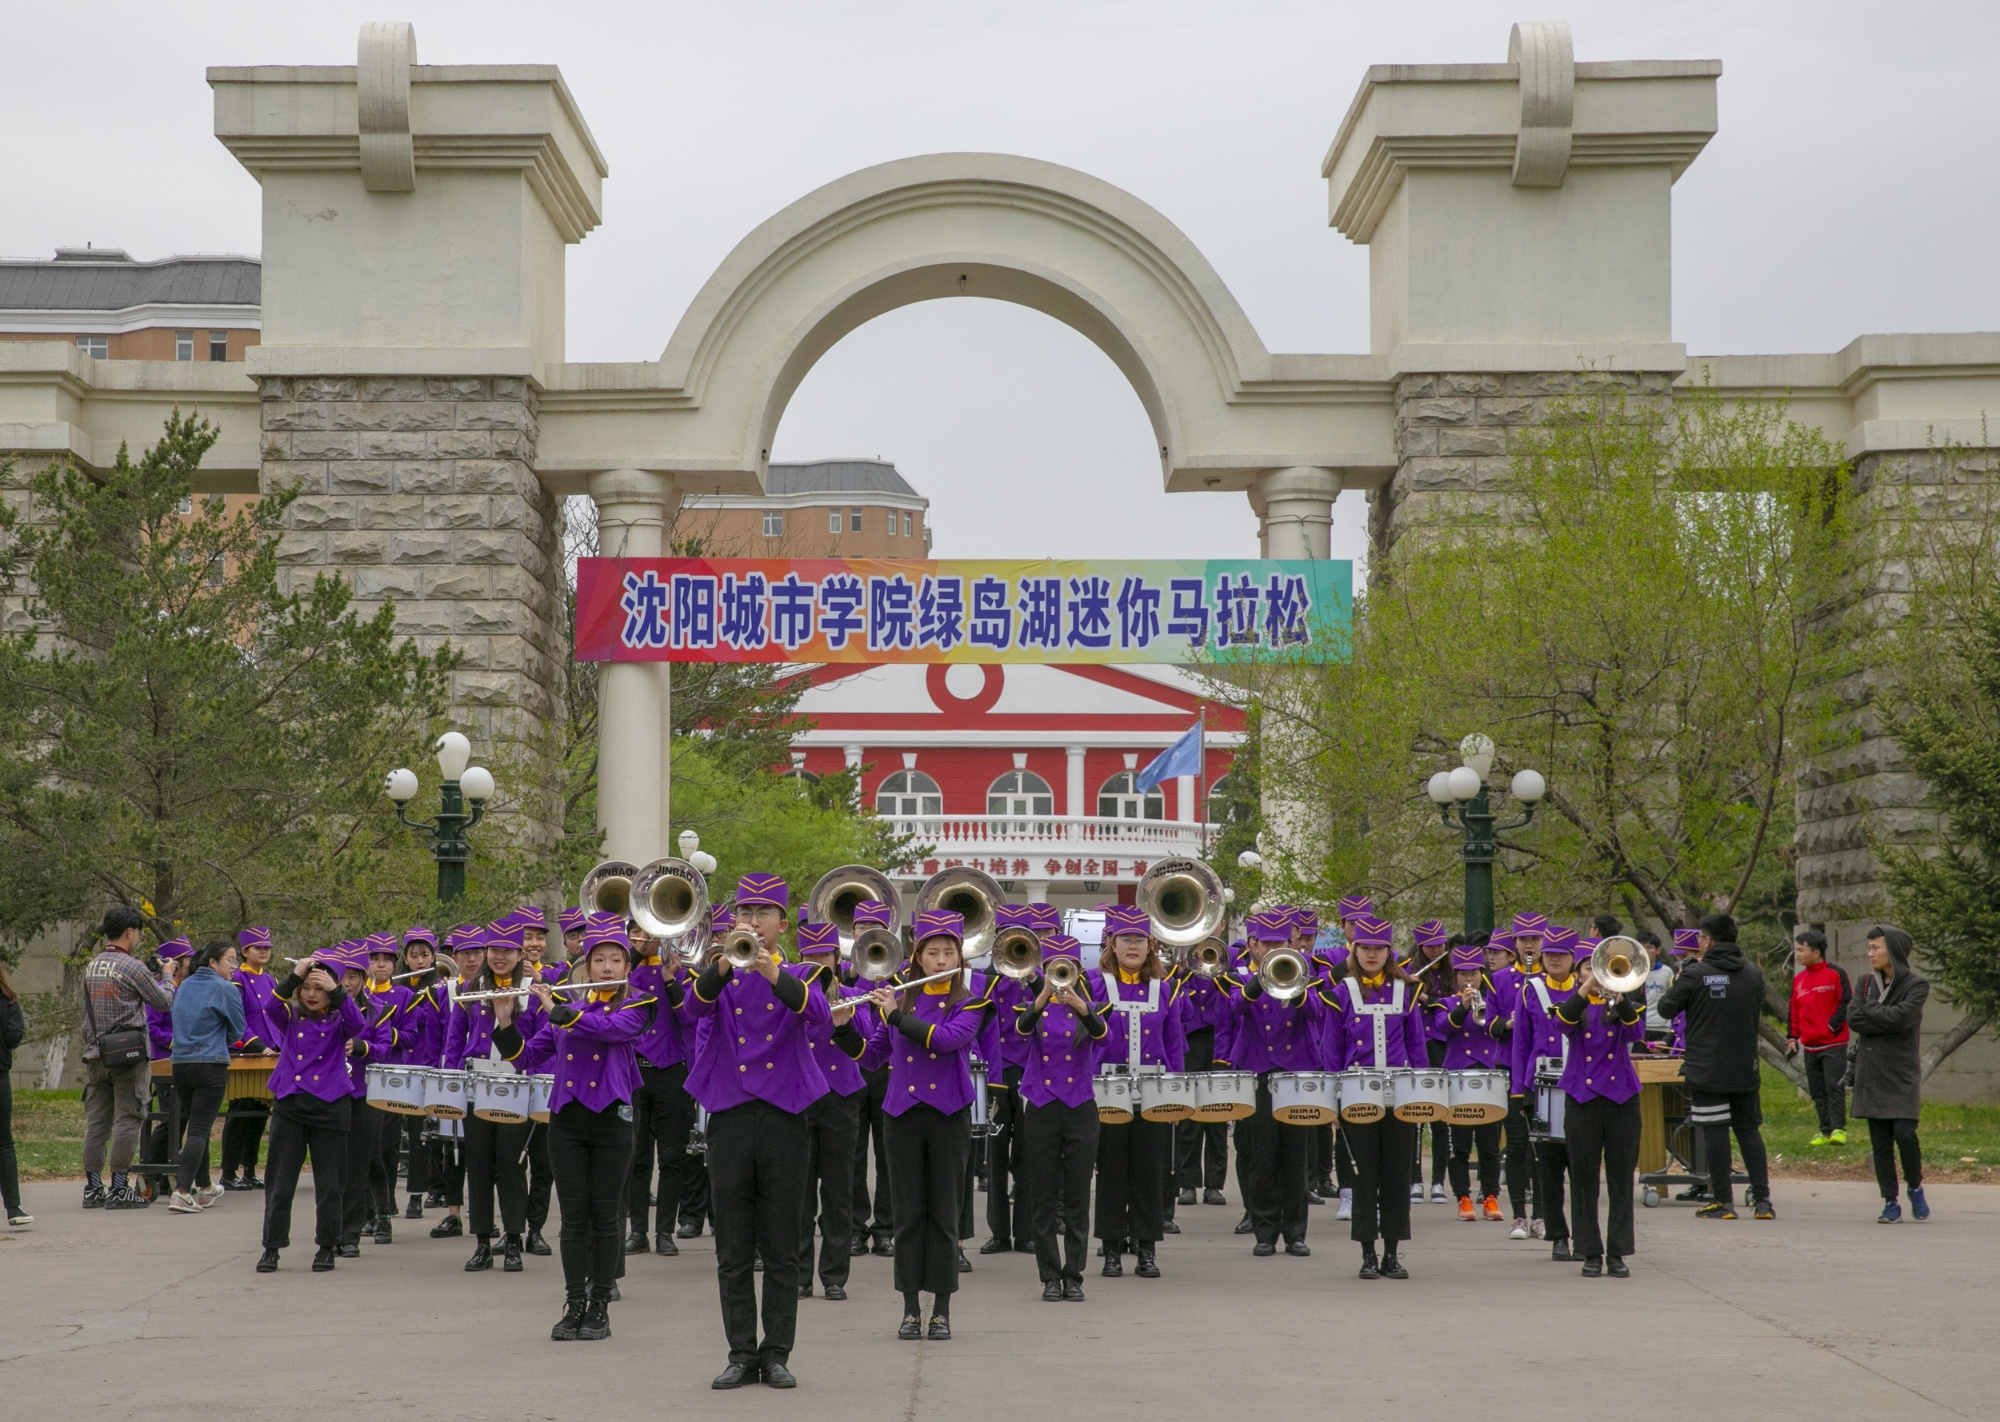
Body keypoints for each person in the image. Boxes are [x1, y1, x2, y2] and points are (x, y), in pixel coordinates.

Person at [686, 873, 830, 1391]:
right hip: (730, 1110)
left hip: (784, 1113)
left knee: (781, 1244)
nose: (753, 920)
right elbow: (692, 1008)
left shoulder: (799, 972)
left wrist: (772, 972)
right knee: (733, 1245)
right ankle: (741, 1352)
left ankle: (776, 1354)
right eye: (745, 911)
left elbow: (820, 1017)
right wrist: (726, 962)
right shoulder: (719, 971)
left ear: (781, 923)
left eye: (764, 913)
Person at [512, 915, 658, 1341]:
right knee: (573, 1218)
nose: (608, 967)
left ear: (627, 968)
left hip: (613, 1119)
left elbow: (611, 1031)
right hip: (568, 1120)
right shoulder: (566, 1009)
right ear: (587, 967)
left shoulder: (638, 1004)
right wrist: (507, 1021)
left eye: (616, 960)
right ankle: (573, 1303)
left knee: (604, 1215)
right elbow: (525, 1057)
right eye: (600, 960)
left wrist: (556, 1011)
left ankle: (600, 1306)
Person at [859, 909, 989, 1342]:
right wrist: (841, 1029)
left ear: (959, 958)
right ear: (917, 957)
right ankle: (911, 1310)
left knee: (944, 1216)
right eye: (932, 952)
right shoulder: (900, 996)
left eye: (948, 952)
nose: (939, 959)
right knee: (909, 1216)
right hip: (902, 1115)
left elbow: (948, 1040)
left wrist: (896, 1016)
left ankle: (943, 1312)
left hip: (948, 1115)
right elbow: (873, 1055)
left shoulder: (971, 1002)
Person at [1322, 915, 1427, 1280]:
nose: (1371, 954)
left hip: (1399, 1096)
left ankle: (1393, 1253)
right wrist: (1333, 1102)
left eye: (1378, 948)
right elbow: (1331, 1052)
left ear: (1388, 952)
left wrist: (1423, 1095)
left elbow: (1418, 1049)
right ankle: (1367, 1253)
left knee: (1397, 1176)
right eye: (1365, 947)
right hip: (1356, 1095)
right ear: (1354, 949)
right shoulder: (1340, 993)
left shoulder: (1407, 990)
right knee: (1363, 1175)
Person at [1656, 912, 1773, 1220]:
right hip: (1745, 1068)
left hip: (1707, 1069)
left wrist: (1682, 980)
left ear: (1707, 941)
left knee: (1715, 1130)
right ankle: (1762, 1202)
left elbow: (1666, 1007)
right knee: (1749, 1131)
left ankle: (1724, 1202)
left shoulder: (1696, 973)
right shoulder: (1752, 974)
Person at [445, 924, 549, 1272]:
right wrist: (455, 1082)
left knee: (511, 1166)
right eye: (494, 950)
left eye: (508, 951)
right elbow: (455, 1041)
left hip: (516, 1086)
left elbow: (541, 1047)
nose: (500, 957)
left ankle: (515, 1240)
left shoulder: (530, 992)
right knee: (479, 1166)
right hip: (477, 1084)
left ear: (521, 955)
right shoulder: (470, 989)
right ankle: (481, 1242)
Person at [1092, 903, 1185, 1280]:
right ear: (1112, 944)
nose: (1133, 946)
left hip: (1153, 1090)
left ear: (1151, 946)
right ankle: (1112, 1249)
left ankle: (1147, 1249)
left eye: (1140, 940)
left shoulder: (1166, 990)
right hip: (1108, 1090)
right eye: (1125, 939)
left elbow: (1175, 1045)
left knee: (1150, 1173)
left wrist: (1177, 1095)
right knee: (1112, 1171)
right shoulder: (1093, 985)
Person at [256, 954, 365, 1272]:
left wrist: (337, 990)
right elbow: (270, 1008)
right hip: (290, 1104)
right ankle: (272, 1247)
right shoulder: (289, 1015)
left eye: (319, 989)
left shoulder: (341, 1019)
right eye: (306, 988)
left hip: (330, 1106)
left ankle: (327, 1246)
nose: (311, 994)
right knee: (280, 1183)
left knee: (330, 1185)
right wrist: (295, 975)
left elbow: (359, 1023)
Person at [1014, 931, 1106, 1301]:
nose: (1059, 976)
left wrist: (1082, 1006)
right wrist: (1040, 998)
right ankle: (1050, 1275)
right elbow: (1021, 1032)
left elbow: (1105, 1039)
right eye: (1052, 968)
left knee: (1078, 1197)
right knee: (1043, 1197)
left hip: (1080, 1105)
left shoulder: (1091, 1005)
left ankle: (1074, 1275)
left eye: (1065, 969)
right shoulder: (1033, 1006)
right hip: (1041, 1104)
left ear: (1077, 969)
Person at [1233, 910, 1323, 1257]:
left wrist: (1296, 985)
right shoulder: (1242, 978)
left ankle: (1296, 1232)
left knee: (1296, 1157)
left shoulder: (1306, 974)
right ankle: (1265, 1231)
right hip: (1259, 1072)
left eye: (1280, 944)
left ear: (1291, 945)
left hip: (1296, 1074)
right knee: (1262, 1154)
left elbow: (1316, 1013)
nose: (1272, 949)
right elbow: (1236, 1008)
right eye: (1266, 943)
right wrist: (1259, 980)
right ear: (1254, 945)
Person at [1553, 947, 1646, 1277]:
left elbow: (1637, 1034)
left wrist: (1619, 997)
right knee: (1583, 1178)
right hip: (1582, 1098)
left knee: (1621, 1179)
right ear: (1579, 974)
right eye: (1586, 969)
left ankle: (1618, 1252)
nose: (1594, 975)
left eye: (1598, 970)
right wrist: (1584, 989)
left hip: (1622, 1097)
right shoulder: (1573, 1005)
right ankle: (1590, 1251)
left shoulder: (1623, 1005)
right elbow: (1561, 1024)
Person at [80, 906, 177, 1210]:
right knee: (128, 1118)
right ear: (130, 932)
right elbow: (162, 1002)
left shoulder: (92, 965)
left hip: (96, 1053)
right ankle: (119, 1187)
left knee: (97, 1122)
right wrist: (168, 976)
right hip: (129, 1055)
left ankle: (93, 1188)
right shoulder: (132, 966)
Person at [792, 919, 867, 1300]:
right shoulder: (790, 997)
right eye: (811, 956)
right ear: (800, 959)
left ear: (837, 958)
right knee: (799, 1191)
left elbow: (869, 1046)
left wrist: (846, 1019)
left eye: (825, 955)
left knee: (839, 1191)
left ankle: (834, 1275)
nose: (819, 962)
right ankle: (801, 1275)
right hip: (801, 1097)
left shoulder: (854, 994)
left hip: (841, 1098)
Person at [1847, 925, 1930, 1223]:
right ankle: (1890, 1201)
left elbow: (1902, 1018)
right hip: (1872, 1073)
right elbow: (1854, 1018)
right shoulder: (1865, 981)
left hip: (1901, 1073)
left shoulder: (1917, 985)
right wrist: (1876, 1014)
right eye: (1868, 948)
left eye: (1875, 948)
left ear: (1892, 950)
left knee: (1905, 1134)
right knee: (1880, 1142)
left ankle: (1915, 1185)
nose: (1869, 954)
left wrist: (1871, 1013)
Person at [625, 925, 699, 1259]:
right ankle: (637, 1230)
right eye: (639, 931)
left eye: (651, 931)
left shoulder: (684, 971)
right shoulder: (623, 971)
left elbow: (688, 1016)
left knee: (672, 1157)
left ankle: (664, 1231)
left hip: (672, 1071)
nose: (647, 936)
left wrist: (671, 979)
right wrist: (636, 953)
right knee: (636, 1156)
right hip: (635, 1072)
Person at [1513, 924, 1580, 1256]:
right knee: (1549, 1165)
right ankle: (1558, 1235)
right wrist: (1520, 1091)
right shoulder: (1530, 990)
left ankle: (1584, 1234)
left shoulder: (1586, 988)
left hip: (1581, 1087)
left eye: (1561, 955)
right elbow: (1520, 1043)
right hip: (1541, 1089)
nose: (1554, 959)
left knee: (1581, 1165)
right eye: (1549, 953)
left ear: (1573, 958)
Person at [166, 939, 246, 1214]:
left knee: (195, 1128)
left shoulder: (184, 985)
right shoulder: (225, 988)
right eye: (231, 960)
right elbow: (238, 1032)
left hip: (180, 1064)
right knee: (200, 1130)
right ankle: (182, 1192)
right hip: (210, 1064)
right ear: (213, 962)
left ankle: (205, 1187)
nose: (234, 966)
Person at [978, 904, 1037, 1256]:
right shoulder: (985, 980)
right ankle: (999, 1233)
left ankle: (1026, 1231)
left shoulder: (1040, 979)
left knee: (1028, 1155)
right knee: (995, 1156)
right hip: (997, 1075)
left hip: (1030, 1074)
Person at [1432, 940, 1504, 1222]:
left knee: (1489, 1145)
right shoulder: (1446, 1002)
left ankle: (1490, 1196)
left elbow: (1498, 1029)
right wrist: (1461, 1008)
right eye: (1463, 973)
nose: (1469, 978)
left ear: (1481, 973)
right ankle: (1462, 1197)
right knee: (1459, 1145)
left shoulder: (1492, 1001)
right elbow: (1442, 1027)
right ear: (1455, 976)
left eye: (1474, 972)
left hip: (1488, 1076)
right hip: (1458, 1077)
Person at [428, 926, 489, 1238]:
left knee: (485, 1149)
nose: (473, 959)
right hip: (455, 1073)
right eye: (466, 953)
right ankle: (453, 1213)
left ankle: (487, 1215)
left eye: (478, 952)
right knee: (452, 1147)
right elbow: (442, 1038)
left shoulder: (494, 987)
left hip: (488, 1074)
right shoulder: (445, 991)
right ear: (456, 957)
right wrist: (446, 1078)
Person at [389, 927, 446, 1220]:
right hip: (396, 1062)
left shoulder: (439, 987)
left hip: (425, 1062)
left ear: (434, 957)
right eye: (415, 955)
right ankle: (385, 1198)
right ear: (406, 958)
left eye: (426, 955)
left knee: (420, 1133)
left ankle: (417, 1194)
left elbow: (435, 1020)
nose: (420, 960)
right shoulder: (396, 986)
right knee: (388, 1135)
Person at [358, 933, 411, 1242]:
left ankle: (384, 1207)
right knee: (362, 1148)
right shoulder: (355, 996)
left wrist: (386, 1033)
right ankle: (367, 1210)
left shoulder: (404, 996)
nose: (380, 965)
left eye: (386, 960)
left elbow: (412, 1038)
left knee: (384, 1147)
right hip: (359, 1080)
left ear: (394, 965)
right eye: (374, 959)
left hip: (390, 1078)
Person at [220, 927, 278, 1191]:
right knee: (240, 1114)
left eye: (267, 947)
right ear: (245, 952)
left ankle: (250, 1170)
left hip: (272, 1053)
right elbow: (238, 1019)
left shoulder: (272, 981)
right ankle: (229, 1172)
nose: (264, 951)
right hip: (247, 1052)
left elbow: (277, 1017)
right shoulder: (237, 980)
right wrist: (259, 1046)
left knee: (259, 1116)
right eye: (258, 947)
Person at [1787, 928, 1852, 1146]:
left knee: (1834, 1086)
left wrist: (1832, 1025)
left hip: (1833, 1043)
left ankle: (1839, 1130)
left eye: (1801, 949)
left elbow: (1847, 1003)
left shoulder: (1836, 974)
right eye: (1796, 950)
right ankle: (1824, 1131)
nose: (1797, 954)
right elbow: (1794, 1011)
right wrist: (1792, 1037)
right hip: (1810, 1045)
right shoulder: (1799, 980)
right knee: (1817, 1091)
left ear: (1816, 952)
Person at [1, 959, 29, 1226]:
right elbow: (13, 1036)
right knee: (4, 1143)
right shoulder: (7, 999)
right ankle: (14, 1208)